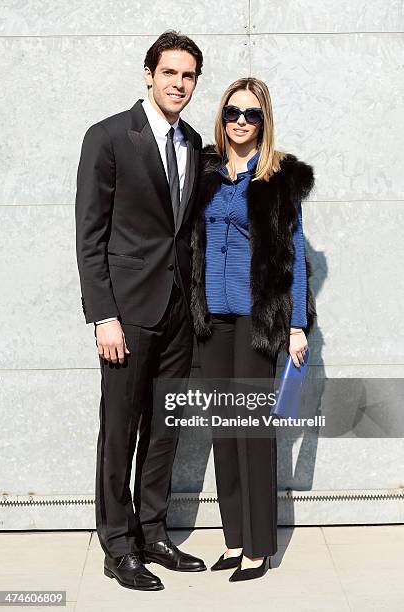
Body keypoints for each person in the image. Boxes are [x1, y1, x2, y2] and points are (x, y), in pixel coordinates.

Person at [75, 31, 206, 592]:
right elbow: (90, 235)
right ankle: (117, 542)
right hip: (127, 312)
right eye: (171, 73)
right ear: (148, 74)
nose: (180, 84)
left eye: (190, 76)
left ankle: (152, 530)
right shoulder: (107, 138)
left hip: (179, 309)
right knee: (121, 427)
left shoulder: (195, 141)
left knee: (165, 427)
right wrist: (103, 315)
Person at [191, 77, 316, 582]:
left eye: (252, 114)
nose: (240, 121)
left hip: (255, 321)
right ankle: (235, 537)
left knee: (253, 433)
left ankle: (259, 547)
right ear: (221, 118)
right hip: (211, 320)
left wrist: (298, 326)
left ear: (265, 121)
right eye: (232, 113)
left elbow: (296, 254)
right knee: (224, 432)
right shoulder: (203, 171)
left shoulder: (279, 178)